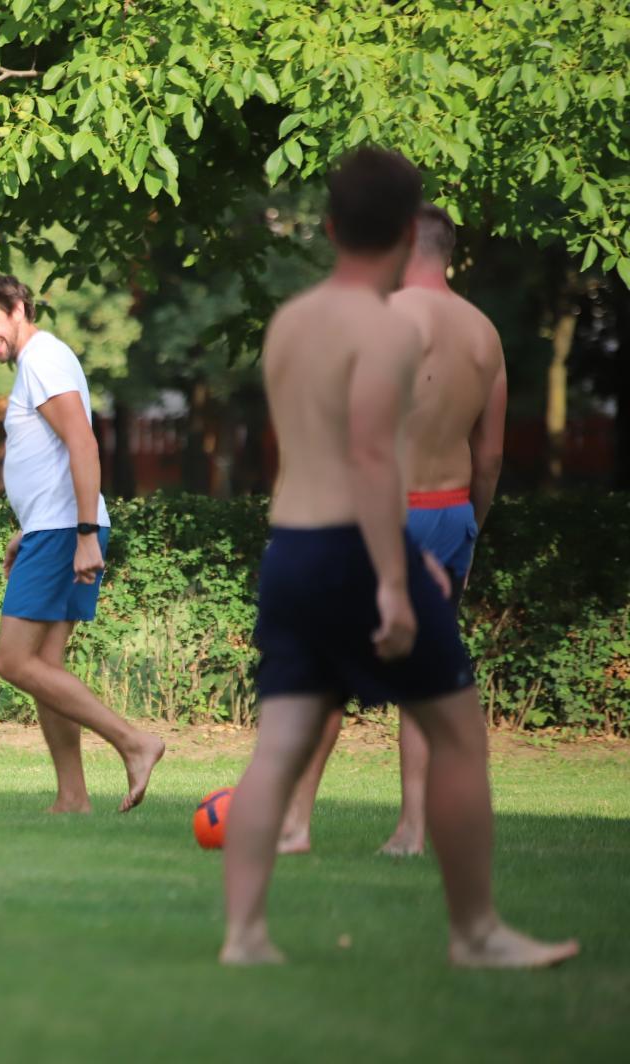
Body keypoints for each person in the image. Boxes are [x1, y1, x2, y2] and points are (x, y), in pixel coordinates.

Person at [220, 148, 577, 968]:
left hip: (292, 547)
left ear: (330, 227)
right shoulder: (384, 329)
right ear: (409, 231)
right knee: (457, 732)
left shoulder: (291, 321)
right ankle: (475, 933)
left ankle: (244, 937)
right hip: (358, 546)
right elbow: (375, 458)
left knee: (279, 744)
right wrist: (394, 580)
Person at [278, 202, 509, 857]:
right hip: (452, 512)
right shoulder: (485, 333)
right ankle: (411, 830)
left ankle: (295, 825)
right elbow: (490, 454)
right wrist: (470, 528)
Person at [0, 273, 166, 814]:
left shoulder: (42, 360)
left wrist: (85, 535)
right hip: (50, 527)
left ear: (18, 309)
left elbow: (82, 443)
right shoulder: (37, 362)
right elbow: (51, 460)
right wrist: (27, 529)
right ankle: (73, 797)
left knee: (13, 661)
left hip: (65, 530)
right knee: (45, 665)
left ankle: (134, 743)